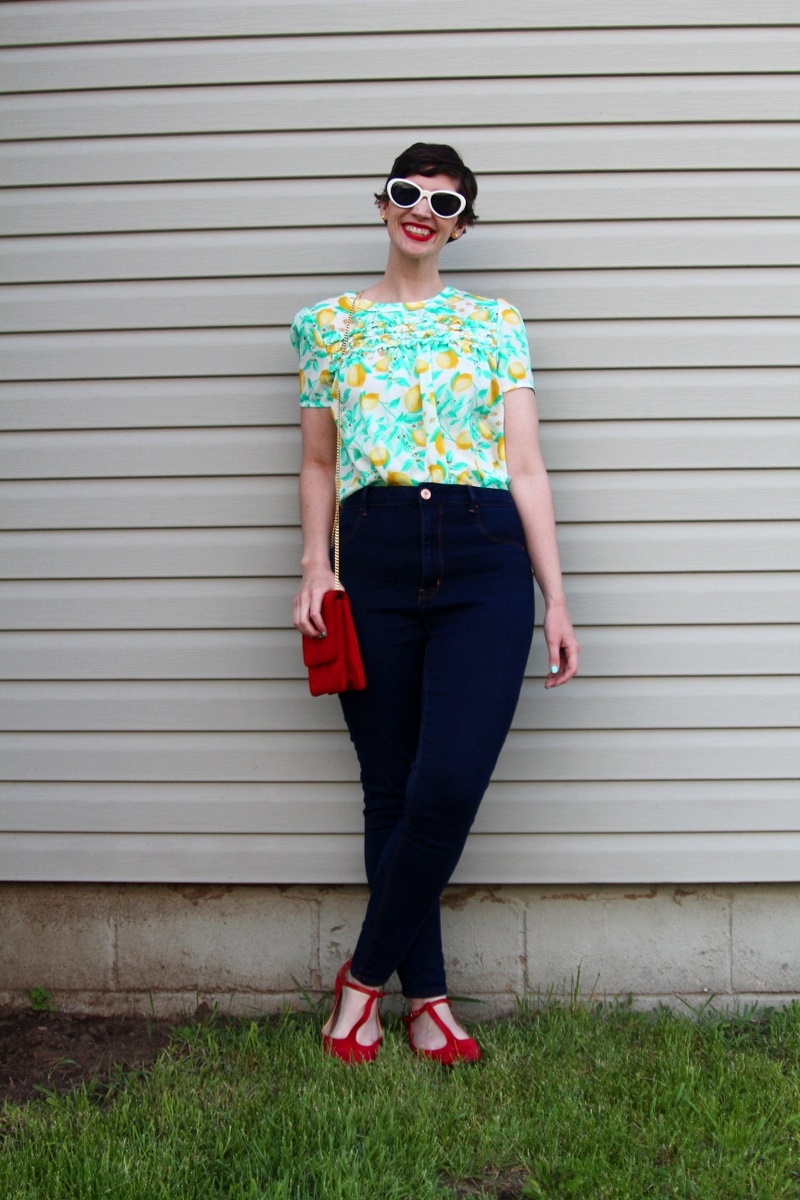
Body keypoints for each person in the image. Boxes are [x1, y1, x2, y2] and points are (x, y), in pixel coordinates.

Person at [291, 143, 579, 1065]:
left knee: (447, 783)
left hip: (483, 554)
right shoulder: (326, 326)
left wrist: (556, 597)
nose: (423, 210)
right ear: (383, 205)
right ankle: (432, 1005)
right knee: (392, 790)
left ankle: (362, 985)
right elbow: (318, 462)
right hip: (369, 557)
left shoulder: (495, 322)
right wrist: (312, 565)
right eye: (408, 194)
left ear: (461, 223)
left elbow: (526, 465)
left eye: (445, 202)